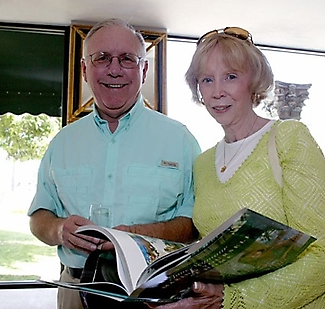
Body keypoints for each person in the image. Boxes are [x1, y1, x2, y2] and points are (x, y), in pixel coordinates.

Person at [148, 27, 325, 308]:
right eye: (207, 79)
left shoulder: (289, 138)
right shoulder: (203, 163)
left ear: (253, 81)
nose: (217, 92)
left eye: (231, 77)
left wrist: (233, 299)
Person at [28, 18, 201, 309]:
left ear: (144, 70)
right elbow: (38, 217)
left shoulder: (180, 141)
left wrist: (137, 237)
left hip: (154, 293)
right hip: (76, 290)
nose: (114, 69)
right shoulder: (62, 143)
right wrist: (59, 230)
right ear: (85, 69)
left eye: (127, 59)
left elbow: (193, 225)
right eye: (102, 58)